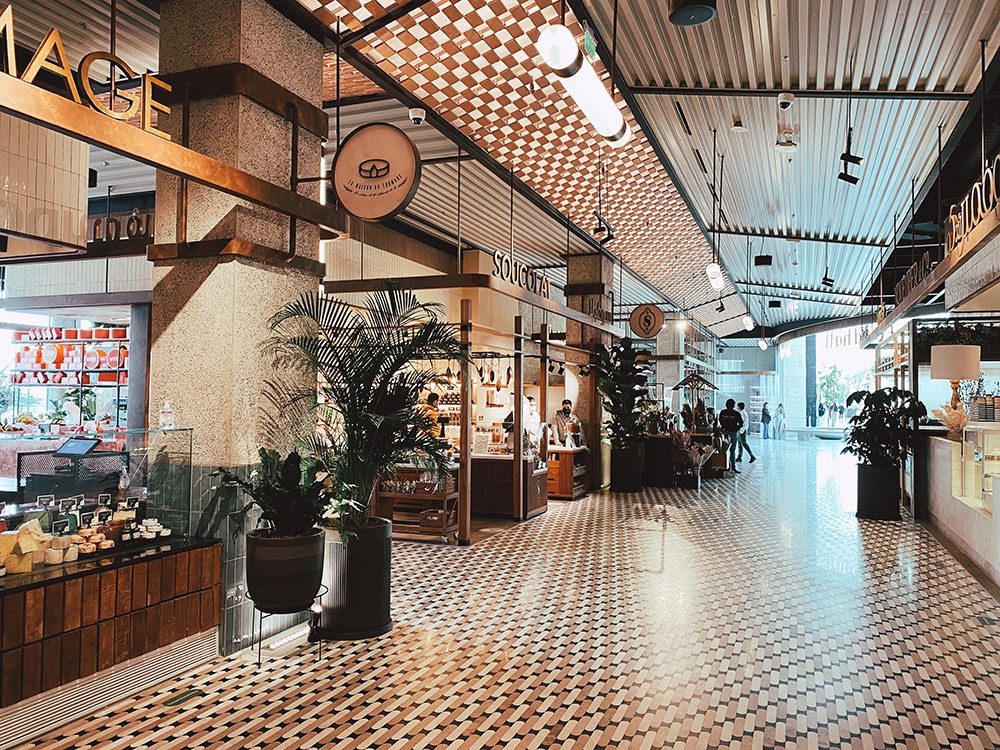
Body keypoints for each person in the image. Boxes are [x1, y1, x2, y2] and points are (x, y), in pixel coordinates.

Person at [718, 398, 743, 473]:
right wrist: (736, 428)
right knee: (732, 450)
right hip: (733, 433)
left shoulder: (723, 412)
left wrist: (724, 427)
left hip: (724, 433)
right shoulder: (736, 413)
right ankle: (733, 467)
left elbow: (720, 421)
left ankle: (724, 466)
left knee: (723, 450)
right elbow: (741, 423)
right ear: (734, 405)